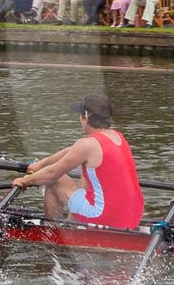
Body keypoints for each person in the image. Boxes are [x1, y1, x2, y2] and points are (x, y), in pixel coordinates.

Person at [11, 94, 145, 228]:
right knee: (86, 180)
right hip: (134, 213)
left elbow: (52, 173)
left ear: (86, 118)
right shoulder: (117, 136)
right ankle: (73, 222)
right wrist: (41, 164)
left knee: (55, 181)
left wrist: (24, 181)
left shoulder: (87, 145)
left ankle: (53, 232)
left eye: (80, 116)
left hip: (104, 216)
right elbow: (71, 150)